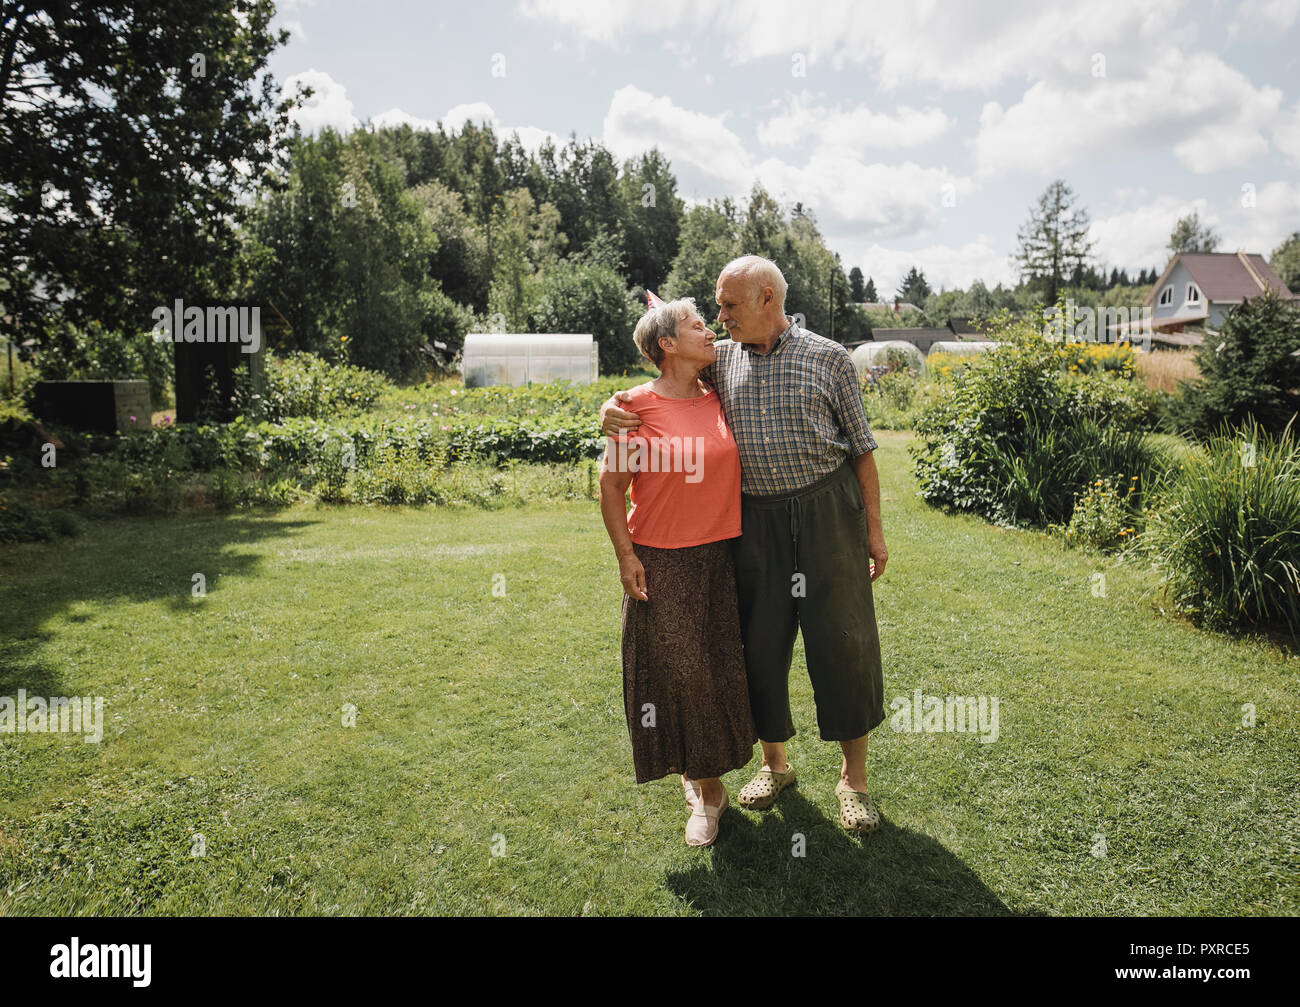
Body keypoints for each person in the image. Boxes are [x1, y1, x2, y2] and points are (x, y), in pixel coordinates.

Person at [600, 256, 888, 833]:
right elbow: (663, 390)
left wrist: (873, 532)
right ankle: (774, 765)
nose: (719, 315)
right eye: (714, 307)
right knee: (757, 647)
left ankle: (852, 781)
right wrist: (612, 409)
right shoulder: (719, 361)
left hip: (827, 512)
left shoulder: (829, 359)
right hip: (754, 523)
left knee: (844, 644)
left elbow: (862, 450)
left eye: (728, 305)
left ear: (766, 300)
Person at [598, 296, 756, 848]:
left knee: (721, 671)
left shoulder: (720, 396)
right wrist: (625, 555)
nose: (709, 328)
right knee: (683, 675)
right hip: (662, 560)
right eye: (696, 324)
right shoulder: (633, 407)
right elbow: (612, 487)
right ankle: (707, 792)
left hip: (720, 556)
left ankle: (712, 771)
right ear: (666, 345)